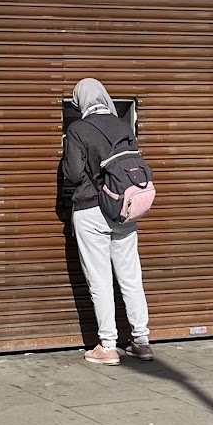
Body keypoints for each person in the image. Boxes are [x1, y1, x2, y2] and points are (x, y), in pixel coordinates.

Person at [60, 77, 153, 364]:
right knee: (130, 277)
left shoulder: (78, 129)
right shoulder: (122, 126)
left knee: (99, 280)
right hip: (123, 209)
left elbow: (73, 175)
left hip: (91, 210)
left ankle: (108, 346)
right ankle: (141, 340)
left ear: (80, 101)